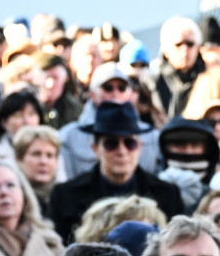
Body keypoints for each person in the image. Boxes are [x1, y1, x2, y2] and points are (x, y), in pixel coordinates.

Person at [47, 102, 185, 244]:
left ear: (140, 147)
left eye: (130, 143)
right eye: (111, 144)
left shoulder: (168, 195)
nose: (122, 151)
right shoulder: (65, 196)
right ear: (95, 149)